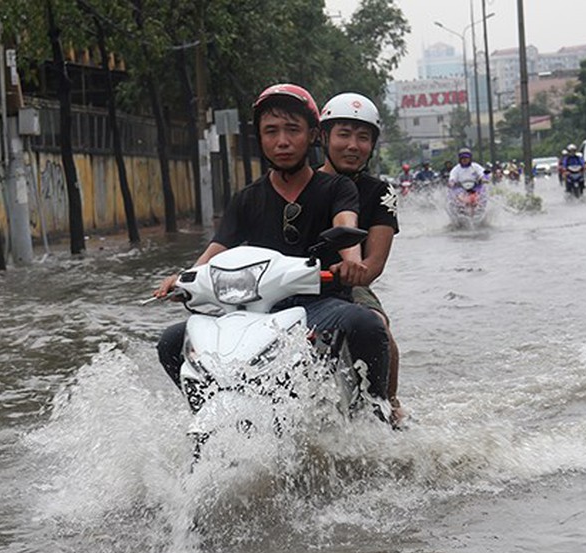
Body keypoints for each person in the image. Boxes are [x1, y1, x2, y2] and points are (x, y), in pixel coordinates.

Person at [153, 83, 392, 412]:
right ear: (260, 139)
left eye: (292, 130)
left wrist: (351, 263)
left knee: (368, 325)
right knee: (171, 342)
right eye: (271, 131)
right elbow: (214, 253)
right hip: (254, 309)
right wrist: (182, 279)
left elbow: (346, 228)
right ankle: (209, 412)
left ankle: (376, 413)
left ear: (312, 136)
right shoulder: (246, 199)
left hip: (320, 304)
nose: (282, 141)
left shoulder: (338, 188)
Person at [317, 91, 406, 425]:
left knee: (378, 326)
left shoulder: (380, 193)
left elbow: (373, 265)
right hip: (291, 284)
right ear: (324, 137)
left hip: (346, 286)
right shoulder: (303, 184)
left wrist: (353, 271)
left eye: (363, 137)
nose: (353, 145)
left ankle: (387, 404)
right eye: (343, 134)